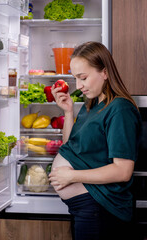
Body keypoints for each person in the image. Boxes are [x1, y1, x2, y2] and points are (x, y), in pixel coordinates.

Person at [49, 41, 142, 240]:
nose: (78, 85)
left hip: (101, 209)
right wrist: (68, 111)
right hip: (84, 208)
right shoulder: (91, 104)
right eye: (75, 78)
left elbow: (123, 171)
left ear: (105, 72)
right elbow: (71, 149)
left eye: (83, 78)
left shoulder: (119, 109)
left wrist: (72, 177)